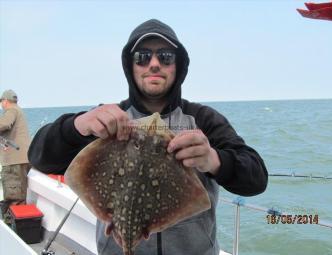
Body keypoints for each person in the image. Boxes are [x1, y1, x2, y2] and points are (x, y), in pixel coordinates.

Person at [28, 19, 268, 255]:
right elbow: (40, 158)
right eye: (142, 57)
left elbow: (256, 178)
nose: (154, 64)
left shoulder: (202, 120)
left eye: (165, 57)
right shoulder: (106, 121)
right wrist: (76, 126)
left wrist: (214, 160)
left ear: (178, 65)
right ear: (130, 66)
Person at [0, 89, 31, 219]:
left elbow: (5, 124)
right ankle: (19, 221)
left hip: (14, 161)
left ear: (5, 101)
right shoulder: (18, 110)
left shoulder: (11, 110)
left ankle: (11, 226)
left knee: (13, 196)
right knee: (19, 193)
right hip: (22, 158)